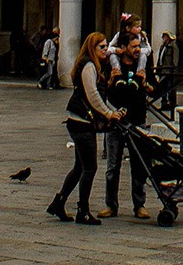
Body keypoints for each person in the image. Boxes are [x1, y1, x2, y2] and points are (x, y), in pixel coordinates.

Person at [50, 32, 123, 225]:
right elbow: (92, 96)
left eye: (106, 46)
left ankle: (59, 202)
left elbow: (101, 96)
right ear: (92, 47)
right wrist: (109, 114)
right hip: (81, 122)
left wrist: (114, 111)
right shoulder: (89, 66)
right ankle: (82, 210)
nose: (106, 50)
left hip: (80, 120)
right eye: (102, 47)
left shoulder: (94, 65)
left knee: (80, 167)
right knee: (90, 167)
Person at [100, 34, 151, 220]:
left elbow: (155, 88)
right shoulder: (112, 65)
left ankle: (140, 204)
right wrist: (110, 81)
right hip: (116, 122)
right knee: (112, 166)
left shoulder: (143, 64)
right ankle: (110, 205)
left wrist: (147, 85)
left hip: (137, 120)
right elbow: (101, 92)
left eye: (139, 46)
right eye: (134, 46)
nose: (138, 50)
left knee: (138, 164)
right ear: (123, 47)